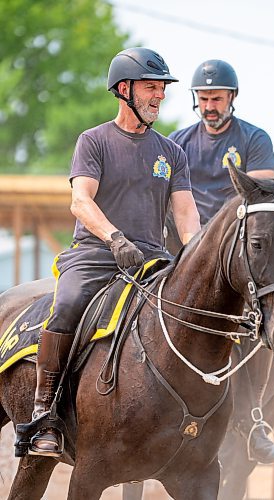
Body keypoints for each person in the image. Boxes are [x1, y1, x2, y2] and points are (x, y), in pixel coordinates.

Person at [27, 47, 200, 457]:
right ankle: (45, 410)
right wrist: (115, 238)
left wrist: (197, 257)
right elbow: (80, 201)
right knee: (67, 304)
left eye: (162, 89)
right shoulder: (94, 141)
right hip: (95, 253)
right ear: (124, 89)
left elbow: (186, 217)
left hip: (152, 261)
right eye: (151, 88)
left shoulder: (171, 153)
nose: (159, 96)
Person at [166, 59, 274, 464]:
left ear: (231, 98)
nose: (209, 105)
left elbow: (262, 197)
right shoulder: (177, 141)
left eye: (216, 98)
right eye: (203, 98)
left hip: (235, 253)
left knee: (256, 322)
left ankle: (253, 418)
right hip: (185, 250)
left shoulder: (254, 139)